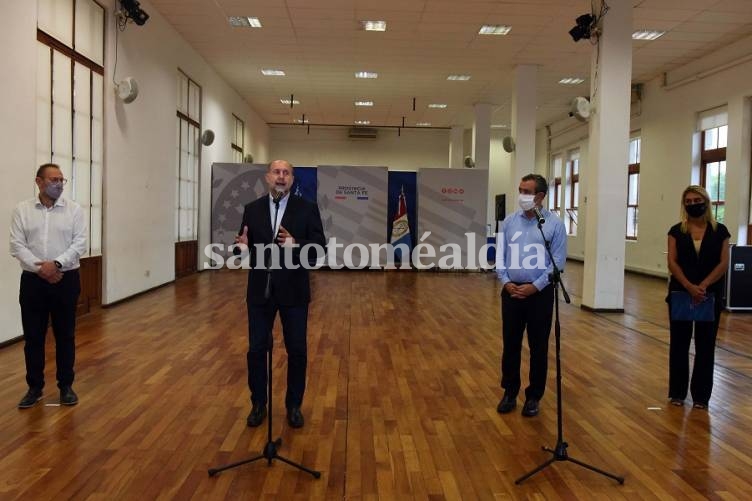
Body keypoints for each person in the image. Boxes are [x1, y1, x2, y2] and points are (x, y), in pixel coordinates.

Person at [235, 160, 326, 429]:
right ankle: (258, 403)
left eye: (286, 173)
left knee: (297, 350)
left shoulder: (307, 209)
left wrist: (295, 244)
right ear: (267, 177)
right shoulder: (252, 209)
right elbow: (243, 245)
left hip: (294, 291)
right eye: (277, 172)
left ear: (293, 180)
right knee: (256, 350)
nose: (281, 177)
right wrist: (239, 250)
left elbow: (319, 248)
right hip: (260, 292)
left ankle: (294, 405)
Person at [9, 163, 87, 409]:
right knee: (33, 336)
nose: (59, 184)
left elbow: (80, 243)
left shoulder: (74, 211)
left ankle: (66, 386)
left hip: (66, 280)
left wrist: (56, 264)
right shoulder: (22, 210)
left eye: (62, 180)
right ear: (39, 182)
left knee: (65, 334)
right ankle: (35, 387)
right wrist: (41, 268)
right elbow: (16, 245)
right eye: (54, 179)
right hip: (33, 282)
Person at [496, 174, 566, 417]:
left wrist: (535, 286)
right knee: (511, 344)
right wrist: (505, 281)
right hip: (511, 292)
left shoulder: (554, 224)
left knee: (538, 347)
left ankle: (534, 396)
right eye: (520, 190)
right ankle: (509, 392)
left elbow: (557, 261)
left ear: (540, 196)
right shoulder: (509, 222)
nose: (522, 195)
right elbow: (500, 256)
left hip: (540, 295)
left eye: (527, 191)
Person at [666, 185, 730, 409]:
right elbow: (672, 262)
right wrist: (688, 286)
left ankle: (701, 397)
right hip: (681, 294)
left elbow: (723, 263)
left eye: (697, 200)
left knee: (705, 346)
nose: (693, 204)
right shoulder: (676, 231)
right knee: (679, 344)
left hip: (709, 296)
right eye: (689, 201)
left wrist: (702, 285)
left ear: (706, 201)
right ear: (684, 205)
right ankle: (677, 393)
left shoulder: (720, 231)